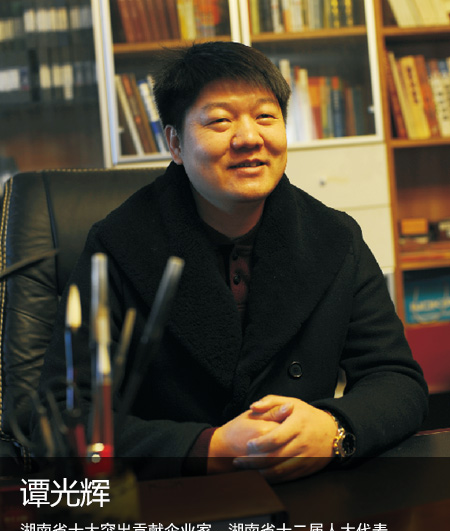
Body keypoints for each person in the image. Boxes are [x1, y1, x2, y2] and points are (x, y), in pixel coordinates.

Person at [35, 41, 428, 483]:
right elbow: (61, 416)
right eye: (220, 121)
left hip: (305, 492)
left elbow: (397, 380)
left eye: (266, 117)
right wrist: (207, 448)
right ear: (175, 143)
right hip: (176, 499)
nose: (249, 138)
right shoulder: (120, 245)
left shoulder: (334, 237)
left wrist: (335, 429)